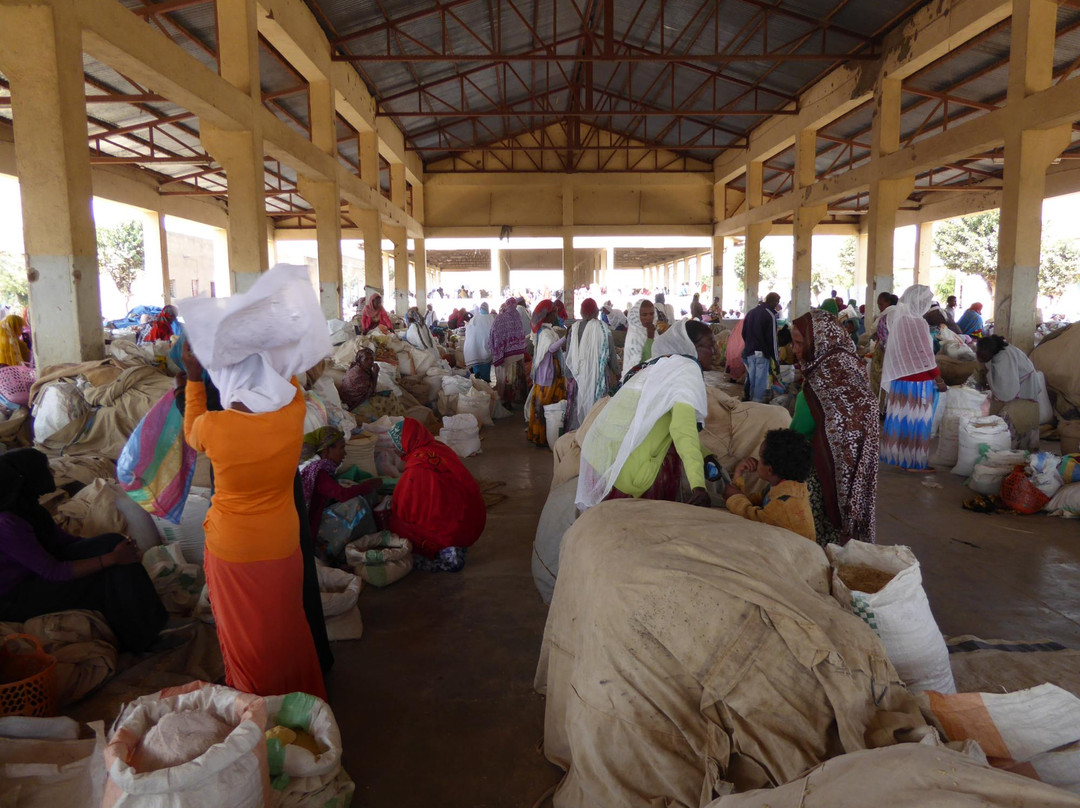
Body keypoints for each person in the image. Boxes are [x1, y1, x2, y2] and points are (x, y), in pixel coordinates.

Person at [181, 342, 326, 699]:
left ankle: (257, 708)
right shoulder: (292, 415)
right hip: (282, 543)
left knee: (245, 637)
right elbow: (288, 381)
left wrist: (193, 377)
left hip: (233, 549)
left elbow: (190, 431)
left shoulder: (213, 426)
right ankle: (300, 699)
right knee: (286, 625)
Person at [0, 449, 167, 651]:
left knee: (112, 542)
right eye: (44, 469)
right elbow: (53, 572)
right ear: (27, 476)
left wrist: (114, 549)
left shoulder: (29, 509)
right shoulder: (7, 523)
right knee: (107, 575)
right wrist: (111, 559)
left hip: (35, 576)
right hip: (15, 598)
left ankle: (150, 626)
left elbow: (67, 542)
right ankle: (143, 639)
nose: (51, 473)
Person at [576, 320, 716, 509]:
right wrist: (698, 486)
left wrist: (705, 454)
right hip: (626, 471)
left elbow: (676, 424)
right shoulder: (687, 369)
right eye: (710, 346)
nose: (716, 352)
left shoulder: (659, 364)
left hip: (602, 460)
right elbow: (683, 431)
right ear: (693, 348)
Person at [789, 310, 879, 545]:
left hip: (822, 478)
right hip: (858, 484)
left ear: (819, 342)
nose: (794, 349)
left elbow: (796, 435)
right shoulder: (854, 370)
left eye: (799, 343)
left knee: (815, 537)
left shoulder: (816, 388)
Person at [388, 418, 486, 572]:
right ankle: (453, 546)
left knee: (396, 524)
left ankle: (445, 549)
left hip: (454, 528)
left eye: (396, 442)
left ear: (408, 440)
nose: (393, 448)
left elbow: (405, 507)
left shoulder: (417, 468)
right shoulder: (437, 448)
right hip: (470, 520)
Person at [879, 285, 943, 472]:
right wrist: (939, 379)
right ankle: (915, 462)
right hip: (919, 383)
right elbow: (926, 357)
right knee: (918, 422)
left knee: (902, 420)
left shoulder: (898, 321)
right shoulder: (918, 323)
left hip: (900, 381)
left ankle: (898, 458)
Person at [721, 429, 816, 543]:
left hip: (798, 555)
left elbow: (753, 518)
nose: (757, 460)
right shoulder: (781, 488)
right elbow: (749, 501)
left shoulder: (784, 502)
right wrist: (738, 474)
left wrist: (734, 498)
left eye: (760, 457)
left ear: (769, 469)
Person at [299, 427, 381, 555]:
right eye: (342, 448)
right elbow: (342, 495)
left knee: (350, 487)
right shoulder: (318, 472)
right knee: (356, 504)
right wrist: (369, 485)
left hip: (309, 521)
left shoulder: (315, 467)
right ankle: (330, 552)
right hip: (309, 530)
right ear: (326, 450)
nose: (345, 454)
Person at [976, 335, 1041, 450]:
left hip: (1023, 389)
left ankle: (1015, 450)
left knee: (1016, 420)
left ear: (991, 352)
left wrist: (994, 391)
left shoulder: (1004, 358)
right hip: (1020, 386)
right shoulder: (998, 351)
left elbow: (1007, 391)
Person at [565, 298, 618, 431]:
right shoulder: (603, 329)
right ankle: (592, 434)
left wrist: (568, 375)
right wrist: (617, 373)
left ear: (582, 312)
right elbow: (611, 353)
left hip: (577, 377)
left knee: (578, 406)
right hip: (597, 376)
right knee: (596, 408)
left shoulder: (574, 329)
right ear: (595, 312)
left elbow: (569, 354)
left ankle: (577, 434)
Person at [526, 300, 568, 447]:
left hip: (550, 372)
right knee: (544, 405)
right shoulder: (544, 333)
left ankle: (546, 435)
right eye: (554, 312)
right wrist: (565, 338)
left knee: (548, 406)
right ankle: (540, 436)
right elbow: (551, 349)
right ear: (548, 315)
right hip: (546, 374)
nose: (556, 314)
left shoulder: (547, 330)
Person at [488, 298, 528, 408]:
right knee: (517, 378)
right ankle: (520, 400)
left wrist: (496, 349)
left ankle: (508, 402)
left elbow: (494, 334)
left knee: (507, 379)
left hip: (506, 355)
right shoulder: (518, 316)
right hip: (519, 354)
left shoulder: (500, 318)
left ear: (506, 306)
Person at [742, 292, 781, 403]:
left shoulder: (750, 313)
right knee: (760, 383)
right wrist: (776, 360)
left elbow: (743, 333)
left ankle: (748, 405)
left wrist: (749, 345)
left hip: (749, 353)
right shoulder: (770, 315)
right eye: (777, 302)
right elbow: (773, 340)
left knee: (751, 380)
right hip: (762, 354)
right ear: (774, 302)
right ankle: (756, 408)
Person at [868, 292, 898, 404]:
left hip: (885, 351)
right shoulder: (900, 312)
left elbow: (872, 330)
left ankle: (880, 405)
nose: (879, 307)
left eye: (881, 304)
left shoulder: (886, 314)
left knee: (880, 378)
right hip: (896, 353)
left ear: (888, 302)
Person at [621, 299, 657, 381]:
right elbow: (640, 364)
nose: (649, 318)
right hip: (636, 379)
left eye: (651, 314)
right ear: (637, 316)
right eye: (644, 315)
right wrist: (650, 338)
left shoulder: (653, 331)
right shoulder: (634, 335)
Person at [464, 302, 495, 382]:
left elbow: (469, 332)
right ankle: (485, 382)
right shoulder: (490, 318)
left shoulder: (474, 318)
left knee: (477, 364)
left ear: (480, 309)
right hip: (486, 348)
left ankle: (477, 380)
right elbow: (493, 333)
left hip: (475, 348)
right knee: (485, 366)